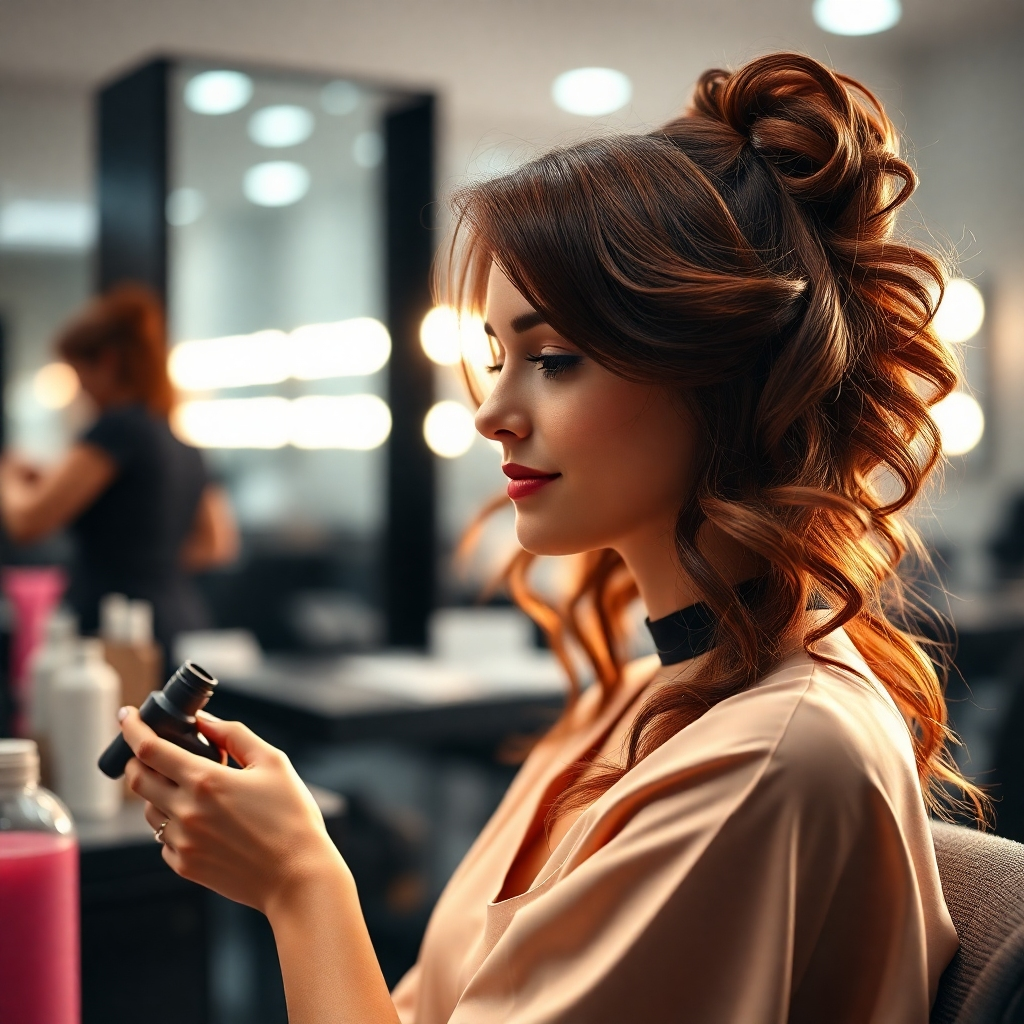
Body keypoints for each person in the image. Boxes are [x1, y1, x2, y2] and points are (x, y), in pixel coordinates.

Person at [116, 54, 981, 1023]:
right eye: (495, 360)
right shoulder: (635, 699)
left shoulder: (768, 760)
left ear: (715, 372)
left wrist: (299, 882)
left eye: (554, 359)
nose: (491, 414)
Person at [0, 284, 238, 657]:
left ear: (108, 361)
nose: (80, 391)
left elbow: (27, 522)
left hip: (114, 632)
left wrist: (7, 476)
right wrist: (147, 560)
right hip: (178, 623)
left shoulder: (116, 429)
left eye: (79, 374)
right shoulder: (180, 442)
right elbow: (216, 544)